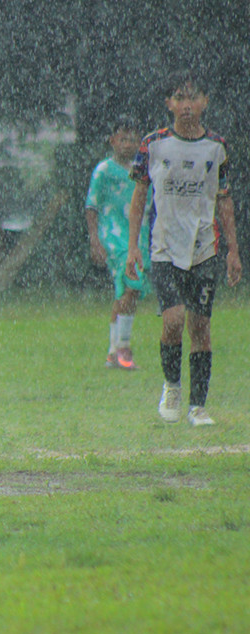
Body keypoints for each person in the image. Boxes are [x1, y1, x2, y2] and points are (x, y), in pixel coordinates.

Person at [126, 70, 241, 426]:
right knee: (173, 320)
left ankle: (198, 406)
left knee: (201, 328)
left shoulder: (216, 148)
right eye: (179, 97)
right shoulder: (153, 144)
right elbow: (140, 195)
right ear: (169, 104)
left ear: (205, 102)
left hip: (204, 249)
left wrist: (234, 250)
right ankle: (172, 386)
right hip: (163, 249)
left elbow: (224, 200)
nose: (187, 105)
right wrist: (133, 247)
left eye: (193, 98)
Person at [85, 115, 151, 370]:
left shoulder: (142, 168)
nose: (127, 144)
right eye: (122, 139)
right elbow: (91, 205)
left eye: (133, 139)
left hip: (138, 235)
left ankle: (113, 352)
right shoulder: (104, 170)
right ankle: (123, 347)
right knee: (131, 287)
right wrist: (95, 240)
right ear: (112, 141)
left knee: (127, 292)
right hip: (113, 236)